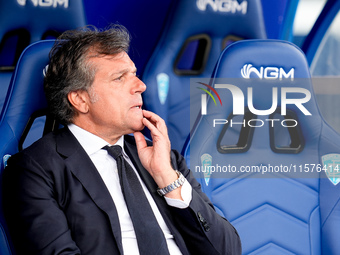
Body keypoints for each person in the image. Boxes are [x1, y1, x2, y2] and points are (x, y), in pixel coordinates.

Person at [2, 25, 241, 255]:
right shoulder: (34, 169)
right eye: (119, 78)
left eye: (135, 75)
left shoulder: (165, 159)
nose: (141, 86)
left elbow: (227, 250)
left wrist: (167, 178)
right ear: (80, 100)